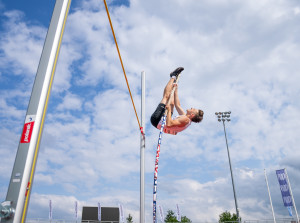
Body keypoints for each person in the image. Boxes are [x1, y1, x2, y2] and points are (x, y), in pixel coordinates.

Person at [150, 67, 204, 135]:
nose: (192, 107)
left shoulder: (186, 120)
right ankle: (174, 81)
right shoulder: (186, 117)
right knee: (172, 103)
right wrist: (176, 89)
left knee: (166, 98)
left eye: (193, 109)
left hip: (157, 120)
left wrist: (169, 110)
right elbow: (177, 105)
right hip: (162, 121)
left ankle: (173, 76)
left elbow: (169, 124)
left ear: (192, 115)